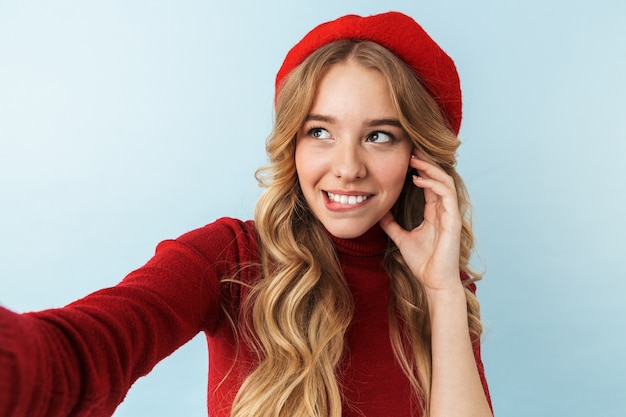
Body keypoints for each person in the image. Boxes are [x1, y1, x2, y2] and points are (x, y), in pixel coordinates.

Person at [0, 11, 493, 417]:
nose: (346, 168)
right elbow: (94, 347)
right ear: (292, 144)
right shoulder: (229, 257)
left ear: (420, 157)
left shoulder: (443, 285)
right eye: (319, 131)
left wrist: (443, 292)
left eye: (378, 135)